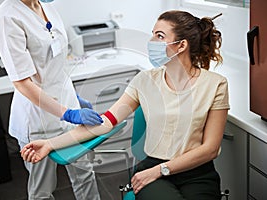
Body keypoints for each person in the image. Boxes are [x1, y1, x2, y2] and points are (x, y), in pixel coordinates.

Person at [21, 10, 230, 200]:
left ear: (181, 45)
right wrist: (50, 144)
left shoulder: (215, 85)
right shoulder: (144, 81)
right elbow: (105, 123)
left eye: (159, 36)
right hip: (153, 170)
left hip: (197, 174)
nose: (151, 41)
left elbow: (210, 149)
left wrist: (161, 170)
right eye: (152, 34)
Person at [0, 0, 103, 199]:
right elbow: (22, 82)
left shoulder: (46, 7)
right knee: (42, 189)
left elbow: (53, 62)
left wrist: (72, 99)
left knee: (85, 175)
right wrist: (68, 112)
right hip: (38, 119)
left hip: (67, 105)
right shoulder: (7, 17)